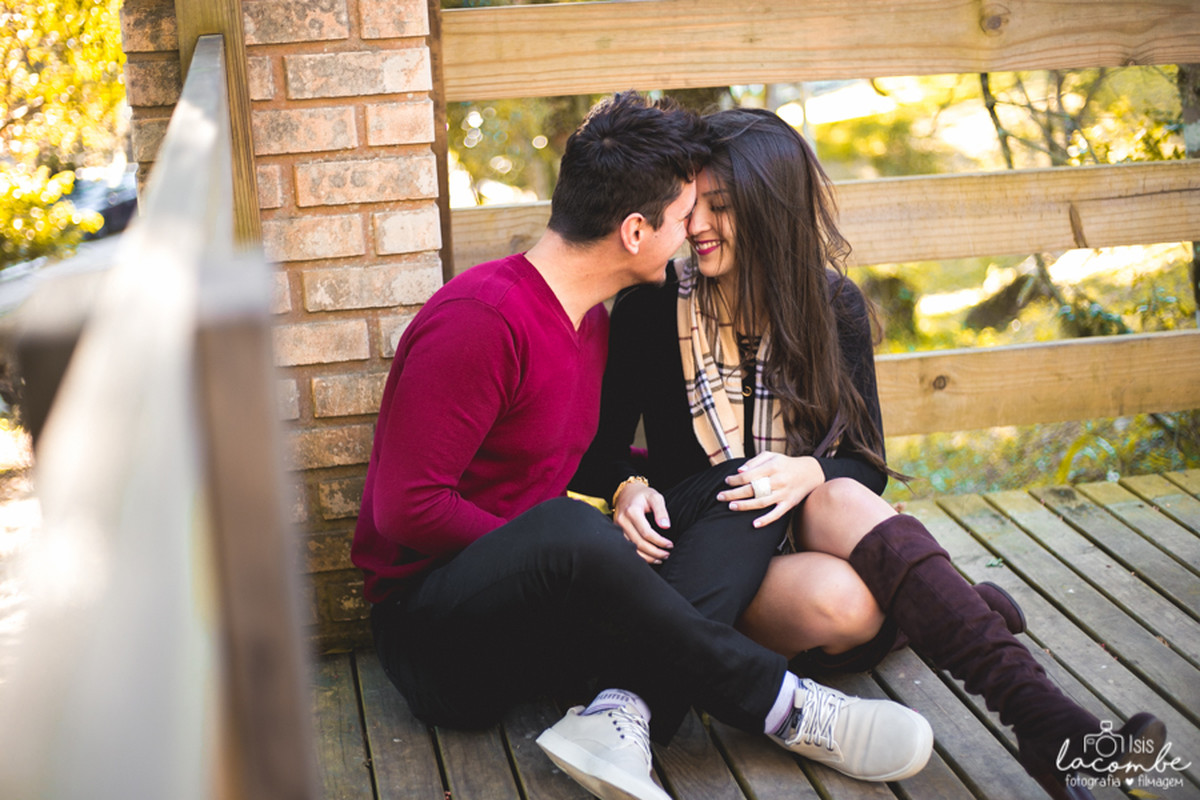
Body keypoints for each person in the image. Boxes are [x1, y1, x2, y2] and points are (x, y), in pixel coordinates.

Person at [571, 107, 1166, 800]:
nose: (699, 226)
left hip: (816, 523)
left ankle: (1049, 724)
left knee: (838, 491)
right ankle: (946, 607)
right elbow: (599, 452)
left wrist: (810, 470)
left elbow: (866, 461)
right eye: (695, 206)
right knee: (845, 606)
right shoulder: (651, 308)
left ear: (772, 209)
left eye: (724, 208)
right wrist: (628, 489)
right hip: (711, 554)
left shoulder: (831, 306)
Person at [352, 93, 934, 800]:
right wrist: (576, 550)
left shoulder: (588, 326)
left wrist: (630, 495)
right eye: (685, 214)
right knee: (572, 529)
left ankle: (619, 710)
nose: (693, 231)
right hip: (437, 643)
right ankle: (790, 708)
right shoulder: (482, 320)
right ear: (635, 231)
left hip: (539, 619)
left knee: (744, 481)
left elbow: (586, 467)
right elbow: (404, 510)